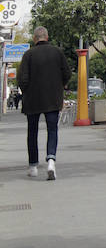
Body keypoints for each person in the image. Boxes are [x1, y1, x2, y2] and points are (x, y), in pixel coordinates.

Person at [17, 26, 70, 180]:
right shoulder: (57, 52)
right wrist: (59, 86)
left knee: (32, 132)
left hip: (32, 100)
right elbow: (66, 73)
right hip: (52, 99)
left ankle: (33, 166)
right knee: (52, 129)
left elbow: (22, 79)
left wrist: (26, 91)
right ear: (47, 37)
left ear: (35, 39)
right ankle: (51, 161)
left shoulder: (28, 55)